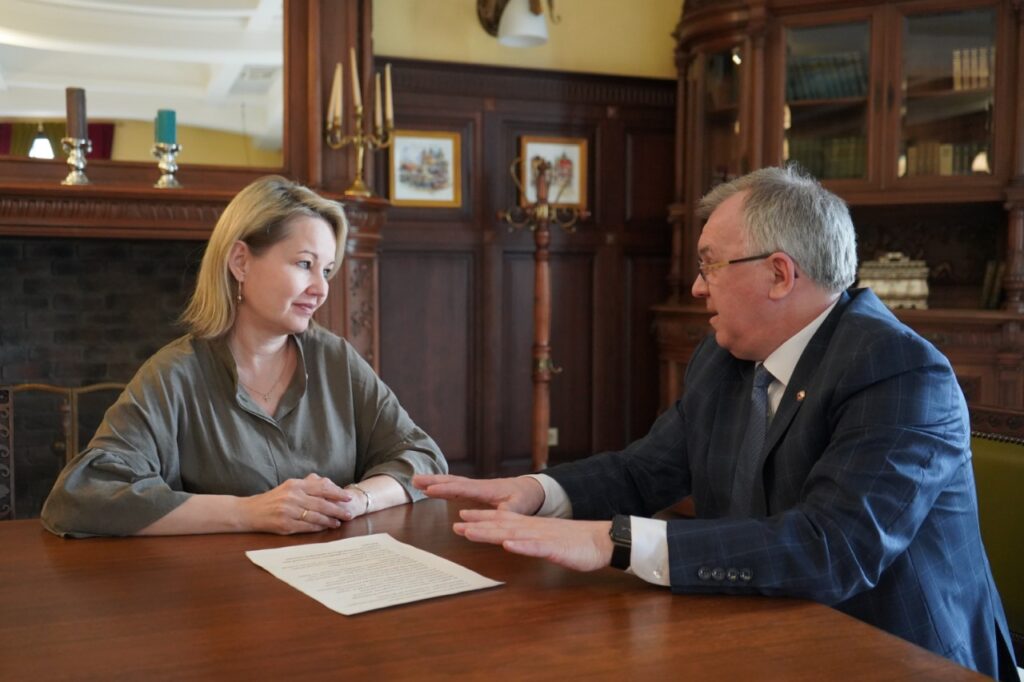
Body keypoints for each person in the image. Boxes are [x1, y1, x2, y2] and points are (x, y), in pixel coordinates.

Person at [414, 166, 1019, 680]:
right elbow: (648, 469)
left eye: (711, 265)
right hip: (764, 634)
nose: (699, 287)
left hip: (897, 656)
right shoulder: (726, 355)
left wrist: (616, 541)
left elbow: (834, 550)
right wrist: (538, 491)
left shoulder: (900, 371)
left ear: (780, 274)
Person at [42, 175, 447, 537]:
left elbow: (424, 457)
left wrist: (357, 499)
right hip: (222, 602)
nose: (321, 289)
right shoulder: (174, 375)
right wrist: (247, 512)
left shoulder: (336, 359)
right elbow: (80, 496)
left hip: (336, 588)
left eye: (326, 271)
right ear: (240, 262)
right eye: (304, 264)